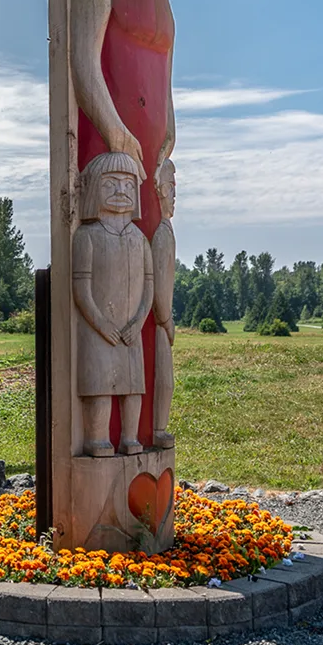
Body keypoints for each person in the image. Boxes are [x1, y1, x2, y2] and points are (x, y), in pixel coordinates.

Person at [70, 0, 175, 448]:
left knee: (159, 308)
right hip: (110, 157)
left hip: (154, 169)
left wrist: (166, 145)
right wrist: (115, 130)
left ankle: (152, 433)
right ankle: (101, 444)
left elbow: (167, 80)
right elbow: (85, 65)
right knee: (110, 285)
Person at [73, 151, 153, 457]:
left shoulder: (140, 239)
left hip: (131, 328)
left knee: (133, 386)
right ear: (94, 188)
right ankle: (97, 439)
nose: (121, 191)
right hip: (98, 329)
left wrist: (139, 321)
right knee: (100, 384)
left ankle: (130, 437)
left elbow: (149, 286)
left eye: (128, 185)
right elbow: (81, 288)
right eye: (110, 184)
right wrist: (101, 324)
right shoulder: (87, 236)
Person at [151, 159, 176, 448]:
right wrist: (166, 319)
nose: (174, 195)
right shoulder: (160, 234)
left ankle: (159, 427)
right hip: (158, 322)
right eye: (170, 188)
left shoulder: (166, 230)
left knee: (166, 380)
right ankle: (157, 428)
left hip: (160, 322)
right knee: (163, 380)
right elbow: (159, 284)